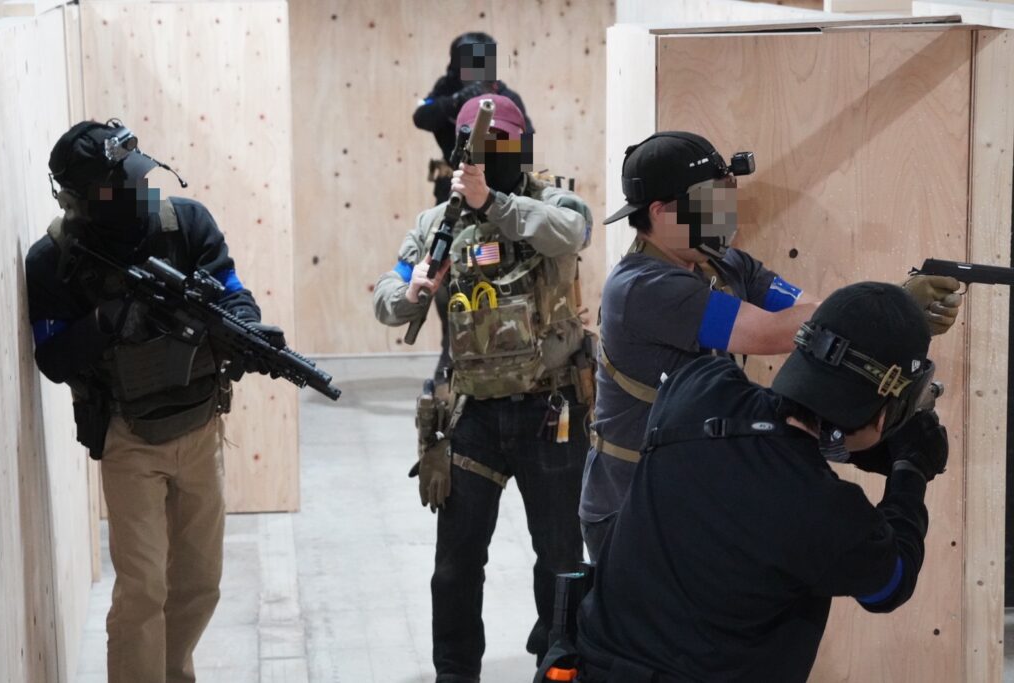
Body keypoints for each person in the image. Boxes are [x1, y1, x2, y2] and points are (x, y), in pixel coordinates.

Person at [578, 131, 962, 561]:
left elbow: (813, 312)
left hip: (688, 493)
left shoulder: (724, 264)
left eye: (725, 194)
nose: (722, 211)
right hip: (630, 509)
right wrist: (896, 302)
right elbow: (770, 332)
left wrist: (888, 317)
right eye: (708, 200)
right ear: (660, 211)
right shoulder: (642, 288)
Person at [575, 281, 949, 682]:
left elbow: (775, 433)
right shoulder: (828, 513)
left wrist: (863, 444)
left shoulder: (696, 386)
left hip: (593, 666)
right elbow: (891, 584)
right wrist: (910, 468)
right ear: (884, 416)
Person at [26, 119, 274, 683]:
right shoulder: (53, 260)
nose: (139, 191)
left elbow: (233, 291)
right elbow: (53, 359)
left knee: (200, 583)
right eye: (121, 186)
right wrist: (107, 321)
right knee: (142, 590)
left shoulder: (186, 223)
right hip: (128, 437)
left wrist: (245, 328)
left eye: (138, 178)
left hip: (200, 425)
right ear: (84, 198)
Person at [375, 94, 592, 682]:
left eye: (503, 146)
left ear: (523, 149)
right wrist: (411, 291)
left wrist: (491, 203)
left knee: (561, 559)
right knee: (456, 565)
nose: (489, 158)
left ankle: (560, 665)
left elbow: (572, 233)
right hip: (471, 415)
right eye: (477, 148)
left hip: (551, 410)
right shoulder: (436, 225)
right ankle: (455, 673)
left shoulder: (553, 203)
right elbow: (387, 297)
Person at [412, 32, 534, 386]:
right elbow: (422, 116)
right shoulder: (447, 89)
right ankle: (451, 346)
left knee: (504, 266)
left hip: (499, 194)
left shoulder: (504, 96)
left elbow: (525, 143)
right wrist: (456, 101)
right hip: (454, 192)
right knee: (446, 268)